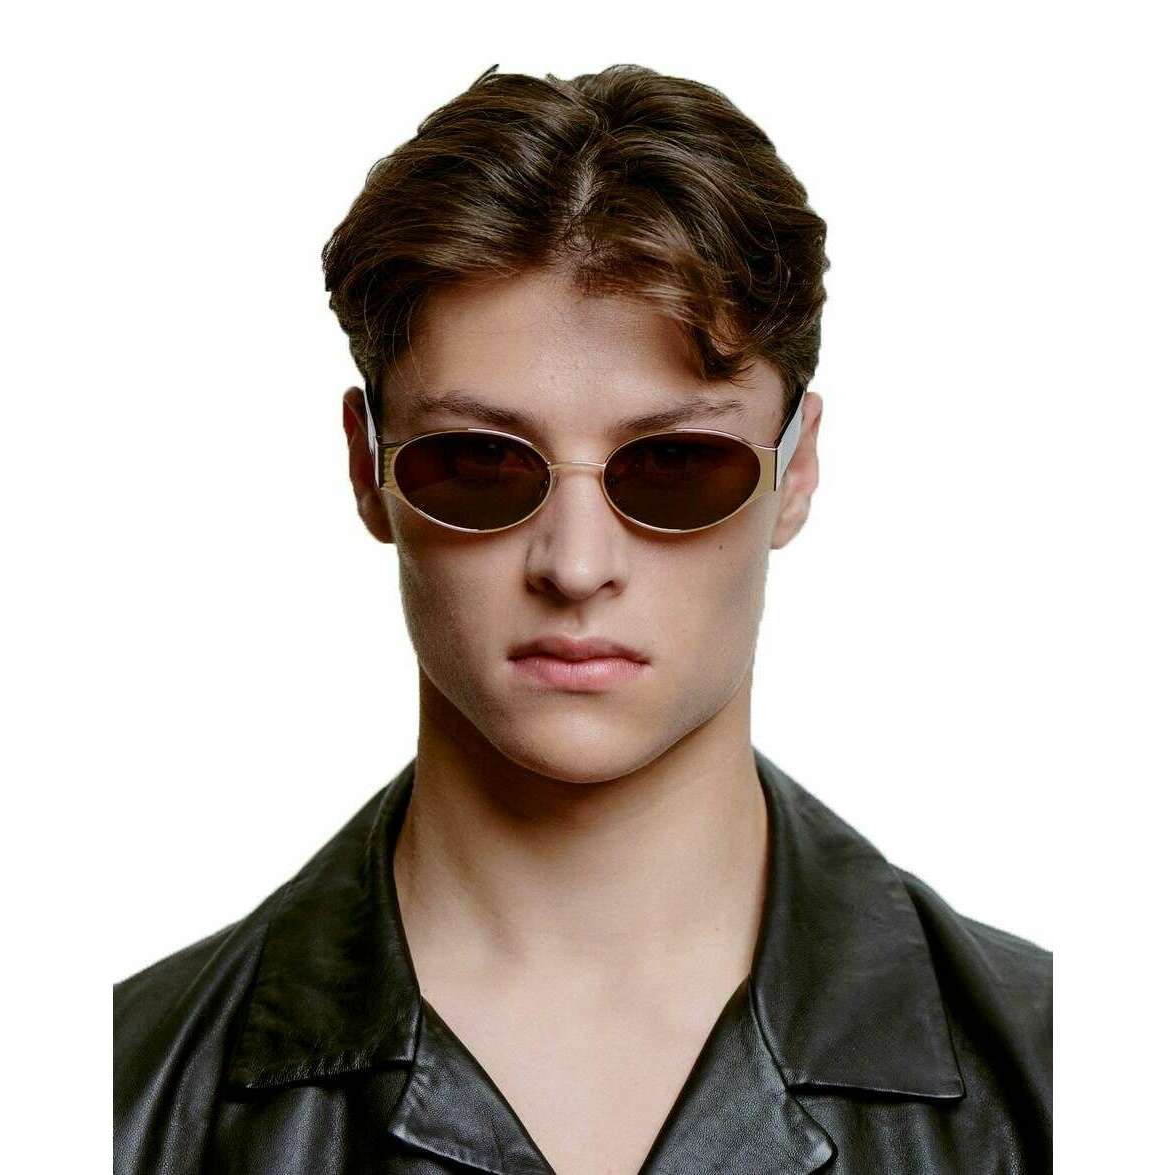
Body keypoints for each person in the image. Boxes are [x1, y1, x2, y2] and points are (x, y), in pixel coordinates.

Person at [113, 63, 1052, 1174]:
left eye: (673, 464)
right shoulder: (113, 1100)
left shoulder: (1065, 1084)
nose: (575, 564)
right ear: (369, 469)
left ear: (794, 468)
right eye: (477, 462)